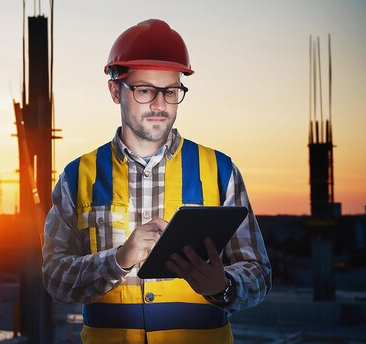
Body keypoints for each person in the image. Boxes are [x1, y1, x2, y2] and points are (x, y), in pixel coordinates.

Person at [42, 19, 271, 343]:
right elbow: (55, 278)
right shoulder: (78, 177)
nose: (160, 104)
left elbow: (259, 273)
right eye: (145, 90)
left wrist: (224, 286)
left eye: (171, 91)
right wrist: (119, 259)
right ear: (114, 90)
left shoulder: (220, 171)